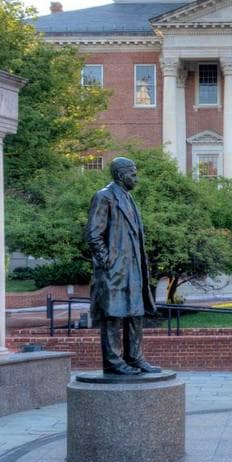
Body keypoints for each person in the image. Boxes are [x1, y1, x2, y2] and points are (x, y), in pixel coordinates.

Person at [86, 157, 161, 376]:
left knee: (135, 314)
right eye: (133, 174)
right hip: (115, 269)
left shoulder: (128, 198)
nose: (136, 178)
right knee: (113, 316)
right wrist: (108, 262)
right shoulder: (104, 197)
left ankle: (135, 358)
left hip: (134, 267)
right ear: (121, 175)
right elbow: (93, 234)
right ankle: (113, 362)